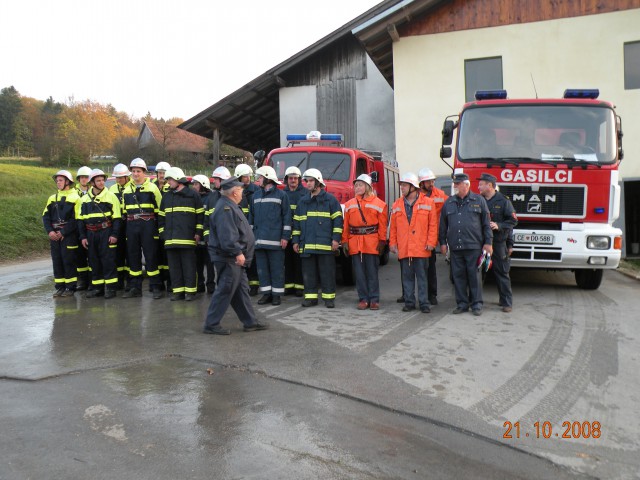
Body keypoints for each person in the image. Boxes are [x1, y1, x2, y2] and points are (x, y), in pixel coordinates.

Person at [203, 177, 269, 335]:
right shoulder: (225, 208)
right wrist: (237, 252)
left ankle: (250, 322)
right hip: (230, 258)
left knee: (240, 291)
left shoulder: (230, 206)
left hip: (234, 258)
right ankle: (211, 324)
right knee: (225, 290)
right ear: (234, 192)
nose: (242, 192)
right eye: (240, 190)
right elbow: (227, 236)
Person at [439, 173, 493, 316]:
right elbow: (443, 225)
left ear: (466, 185)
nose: (455, 186)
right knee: (458, 276)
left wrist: (488, 242)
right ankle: (462, 304)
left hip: (474, 246)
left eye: (458, 184)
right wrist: (442, 243)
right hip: (456, 247)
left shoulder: (479, 200)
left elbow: (486, 224)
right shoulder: (449, 202)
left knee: (474, 276)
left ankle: (476, 304)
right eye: (454, 184)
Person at [292, 168, 343, 308]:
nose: (307, 184)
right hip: (307, 245)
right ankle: (310, 298)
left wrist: (335, 239)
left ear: (318, 182)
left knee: (327, 273)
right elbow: (296, 224)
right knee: (308, 274)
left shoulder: (331, 201)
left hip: (325, 245)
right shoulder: (302, 202)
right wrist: (295, 241)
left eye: (310, 181)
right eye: (306, 181)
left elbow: (338, 222)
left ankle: (329, 298)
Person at [389, 172, 438, 313]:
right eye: (401, 185)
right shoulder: (397, 204)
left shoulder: (428, 203)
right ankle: (409, 302)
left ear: (413, 187)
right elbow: (393, 227)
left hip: (421, 247)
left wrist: (431, 242)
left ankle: (424, 303)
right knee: (407, 277)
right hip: (405, 248)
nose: (401, 188)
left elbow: (433, 226)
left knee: (422, 277)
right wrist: (392, 243)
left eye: (404, 185)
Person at [341, 174, 388, 310]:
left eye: (360, 185)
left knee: (372, 272)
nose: (357, 187)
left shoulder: (379, 204)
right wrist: (344, 241)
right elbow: (346, 226)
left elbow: (383, 225)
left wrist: (382, 241)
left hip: (371, 241)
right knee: (359, 274)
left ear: (367, 187)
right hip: (355, 242)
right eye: (356, 185)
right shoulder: (349, 205)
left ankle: (374, 299)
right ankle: (363, 299)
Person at [158, 167, 204, 301]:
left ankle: (190, 292)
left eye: (170, 180)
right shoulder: (166, 196)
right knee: (174, 268)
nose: (168, 183)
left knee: (189, 267)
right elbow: (161, 217)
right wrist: (163, 234)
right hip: (170, 240)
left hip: (187, 239)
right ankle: (178, 292)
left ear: (178, 179)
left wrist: (198, 233)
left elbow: (200, 216)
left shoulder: (193, 195)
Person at [121, 157, 163, 299]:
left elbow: (159, 211)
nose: (136, 174)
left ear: (144, 172)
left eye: (138, 171)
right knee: (133, 256)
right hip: (132, 225)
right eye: (133, 171)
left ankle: (156, 286)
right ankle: (135, 287)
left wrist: (158, 229)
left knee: (151, 255)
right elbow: (123, 210)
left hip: (148, 225)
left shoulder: (153, 188)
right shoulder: (127, 190)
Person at [77, 169, 122, 299]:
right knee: (93, 260)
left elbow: (117, 218)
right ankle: (98, 288)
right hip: (91, 233)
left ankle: (110, 289)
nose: (101, 183)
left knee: (108, 260)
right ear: (92, 183)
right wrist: (83, 237)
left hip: (106, 232)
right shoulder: (84, 199)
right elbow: (80, 220)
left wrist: (114, 235)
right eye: (98, 180)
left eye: (103, 180)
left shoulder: (111, 197)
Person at [249, 165, 291, 306]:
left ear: (267, 178)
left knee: (277, 269)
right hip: (259, 241)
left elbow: (287, 217)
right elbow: (251, 218)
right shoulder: (255, 196)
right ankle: (266, 294)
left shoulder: (281, 195)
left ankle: (276, 295)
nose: (258, 180)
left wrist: (285, 237)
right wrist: (251, 237)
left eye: (260, 177)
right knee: (262, 269)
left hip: (275, 242)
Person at [477, 173, 518, 312]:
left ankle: (506, 302)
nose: (478, 186)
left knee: (502, 273)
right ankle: (476, 301)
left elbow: (513, 221)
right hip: (481, 243)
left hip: (498, 242)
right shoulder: (477, 200)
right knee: (478, 272)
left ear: (489, 185)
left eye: (481, 184)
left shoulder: (504, 201)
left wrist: (499, 225)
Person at [43, 170, 81, 297]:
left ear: (68, 182)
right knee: (57, 261)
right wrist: (50, 231)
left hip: (68, 236)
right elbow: (46, 217)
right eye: (57, 180)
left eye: (60, 180)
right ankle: (60, 287)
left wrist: (63, 231)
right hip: (54, 235)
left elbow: (76, 219)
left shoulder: (76, 197)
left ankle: (70, 287)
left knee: (68, 261)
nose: (58, 183)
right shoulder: (52, 198)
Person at [418, 168, 448, 305]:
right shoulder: (416, 196)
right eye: (428, 181)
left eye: (432, 180)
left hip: (431, 237)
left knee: (431, 268)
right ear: (421, 183)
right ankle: (407, 295)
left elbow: (449, 205)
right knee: (411, 269)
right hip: (417, 237)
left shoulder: (440, 194)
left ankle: (432, 295)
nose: (431, 183)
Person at [235, 163, 260, 296]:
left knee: (252, 259)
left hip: (251, 230)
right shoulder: (236, 190)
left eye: (249, 176)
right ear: (239, 177)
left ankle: (254, 285)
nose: (248, 178)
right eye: (245, 176)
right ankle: (242, 285)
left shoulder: (255, 190)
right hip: (239, 230)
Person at [282, 166, 305, 297]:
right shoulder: (283, 194)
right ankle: (288, 286)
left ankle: (299, 287)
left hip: (299, 233)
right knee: (287, 261)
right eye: (290, 178)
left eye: (295, 178)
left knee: (299, 262)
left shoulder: (304, 194)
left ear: (299, 180)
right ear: (287, 180)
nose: (293, 181)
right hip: (286, 233)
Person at [108, 163, 132, 289]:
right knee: (117, 254)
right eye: (117, 178)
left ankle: (129, 281)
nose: (118, 180)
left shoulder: (132, 187)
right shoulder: (112, 189)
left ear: (127, 177)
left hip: (129, 222)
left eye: (121, 178)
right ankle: (119, 282)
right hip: (116, 223)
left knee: (129, 254)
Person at [191, 174, 215, 294]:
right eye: (193, 184)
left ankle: (210, 285)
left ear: (203, 185)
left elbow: (209, 219)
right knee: (198, 263)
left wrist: (207, 236)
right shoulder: (193, 198)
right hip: (196, 237)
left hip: (207, 238)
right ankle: (200, 284)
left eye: (196, 184)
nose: (194, 186)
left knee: (210, 264)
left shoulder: (211, 198)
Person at [153, 161, 171, 291]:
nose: (161, 175)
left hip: (166, 225)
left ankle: (170, 283)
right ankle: (159, 284)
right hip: (153, 225)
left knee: (168, 257)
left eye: (164, 173)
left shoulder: (170, 188)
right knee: (156, 256)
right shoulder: (152, 186)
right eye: (160, 172)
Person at [74, 165, 92, 290]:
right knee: (80, 256)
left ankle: (92, 281)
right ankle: (83, 281)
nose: (84, 180)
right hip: (77, 227)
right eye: (82, 177)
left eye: (86, 177)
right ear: (78, 179)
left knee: (92, 255)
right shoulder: (73, 192)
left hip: (91, 227)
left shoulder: (94, 192)